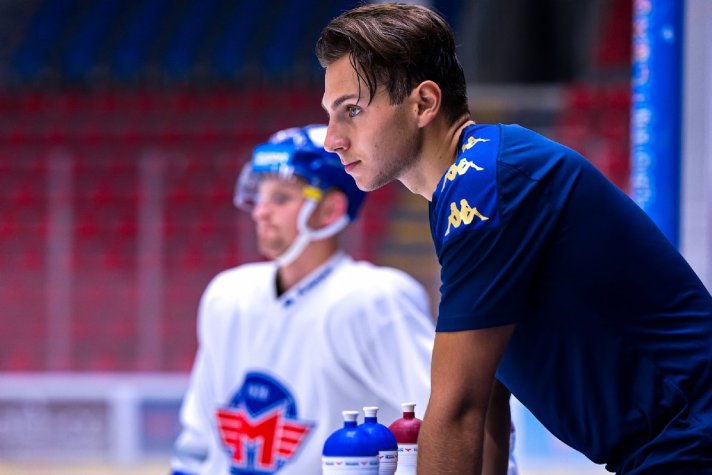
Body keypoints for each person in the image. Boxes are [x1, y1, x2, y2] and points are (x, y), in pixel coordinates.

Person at [315, 3, 712, 475]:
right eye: (331, 115)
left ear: (423, 104)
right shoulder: (470, 180)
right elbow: (485, 399)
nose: (332, 139)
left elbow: (458, 408)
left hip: (692, 442)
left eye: (352, 110)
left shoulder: (486, 185)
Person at [169, 124, 436, 475]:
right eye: (260, 196)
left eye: (281, 198)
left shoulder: (373, 301)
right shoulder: (227, 297)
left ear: (330, 210)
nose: (260, 212)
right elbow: (199, 440)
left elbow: (443, 417)